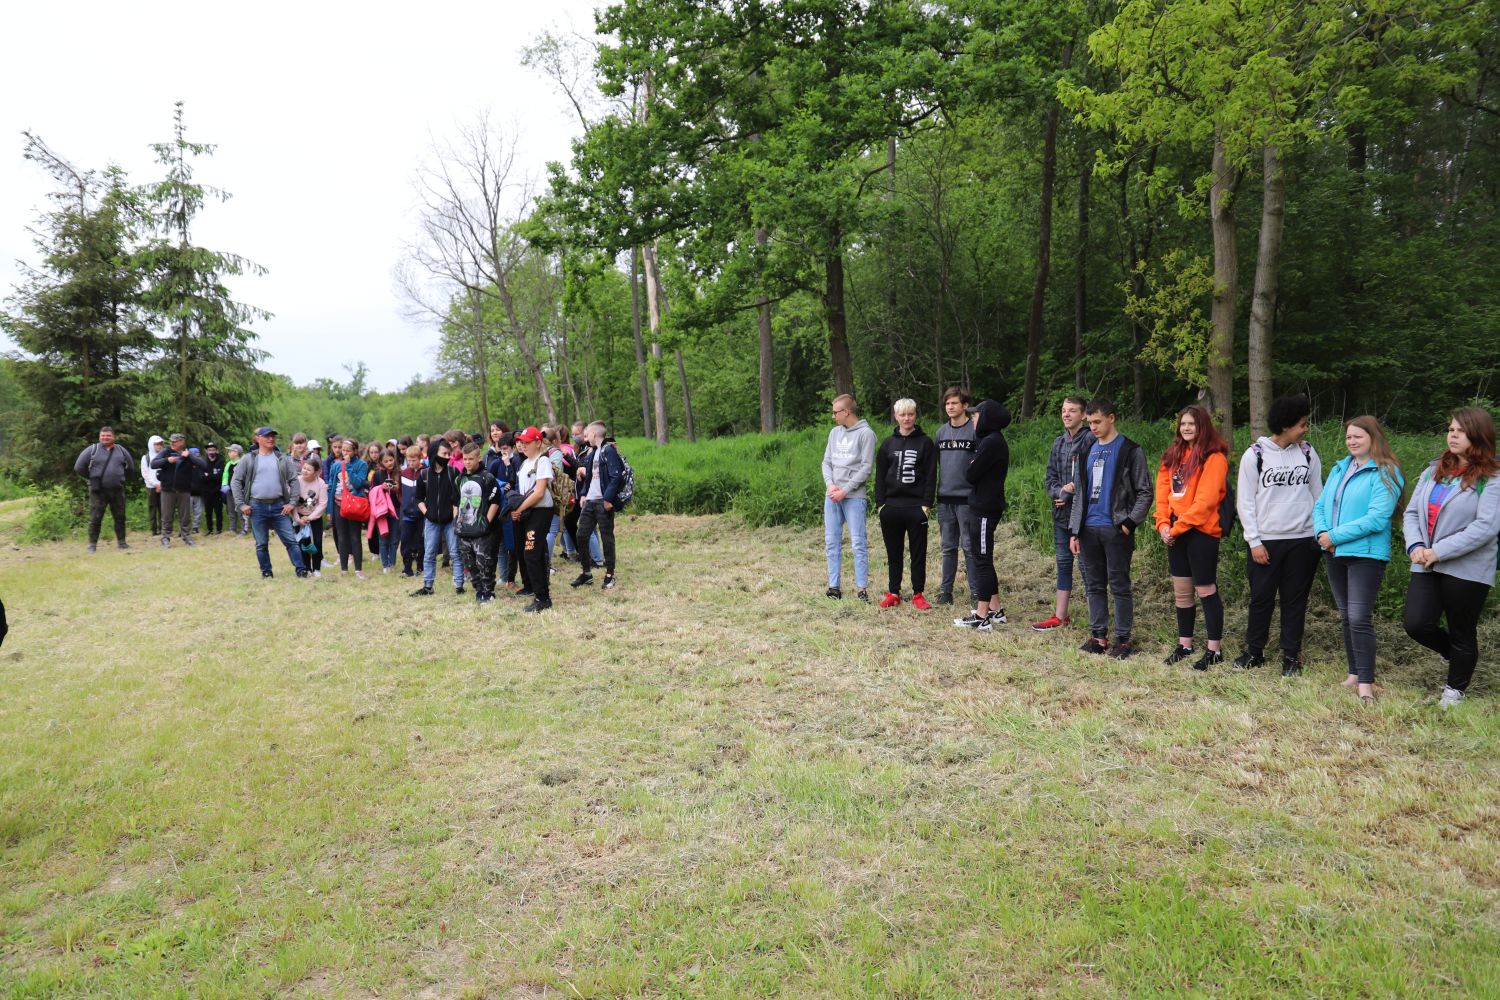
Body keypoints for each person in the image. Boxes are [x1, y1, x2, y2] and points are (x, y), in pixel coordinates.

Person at [1402, 407, 1500, 708]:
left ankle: (1455, 689)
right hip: (1426, 563)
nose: (1452, 435)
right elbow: (1412, 512)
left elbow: (1486, 526)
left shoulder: (1492, 477)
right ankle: (1456, 655)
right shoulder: (1433, 470)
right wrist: (1415, 545)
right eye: (1450, 429)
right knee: (1416, 624)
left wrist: (1439, 551)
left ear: (1478, 435)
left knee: (1462, 629)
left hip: (1467, 567)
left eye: (1460, 430)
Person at [1313, 416, 1405, 705]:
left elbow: (1377, 519)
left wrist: (1334, 536)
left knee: (1358, 617)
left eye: (1358, 437)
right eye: (1349, 437)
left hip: (1365, 554)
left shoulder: (1386, 472)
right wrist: (1321, 532)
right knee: (1345, 616)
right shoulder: (1341, 468)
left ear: (1373, 438)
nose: (1352, 441)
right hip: (1334, 552)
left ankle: (1366, 684)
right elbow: (1320, 505)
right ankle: (1354, 673)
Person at [1234, 394, 1323, 675]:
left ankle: (1291, 656)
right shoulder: (1255, 455)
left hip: (1303, 540)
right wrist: (1254, 541)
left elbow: (1317, 495)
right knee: (1261, 598)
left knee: (1294, 601)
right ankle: (1254, 652)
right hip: (1267, 541)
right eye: (1302, 424)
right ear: (1285, 425)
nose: (1305, 429)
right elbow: (1245, 502)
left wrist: (1319, 534)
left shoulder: (1308, 453)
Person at [1069, 398, 1152, 659]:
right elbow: (1080, 492)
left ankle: (1123, 640)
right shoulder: (1087, 450)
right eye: (1090, 422)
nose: (1092, 427)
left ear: (1111, 418)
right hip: (1088, 528)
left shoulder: (1129, 450)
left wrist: (1129, 522)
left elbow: (1145, 491)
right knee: (1094, 585)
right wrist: (1074, 530)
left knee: (1119, 585)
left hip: (1115, 529)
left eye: (1097, 421)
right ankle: (1098, 637)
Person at [1154, 406, 1231, 670]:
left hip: (1201, 531)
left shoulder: (1214, 457)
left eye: (1192, 424)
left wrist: (1176, 528)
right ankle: (1185, 644)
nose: (1186, 428)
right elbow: (1163, 495)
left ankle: (1214, 650)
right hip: (1175, 530)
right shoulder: (1172, 456)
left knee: (1205, 589)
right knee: (1182, 591)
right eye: (1183, 424)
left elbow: (1206, 502)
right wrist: (1163, 524)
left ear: (1203, 427)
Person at [953, 398, 1012, 630]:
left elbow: (970, 473)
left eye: (975, 416)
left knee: (982, 559)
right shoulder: (989, 440)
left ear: (986, 418)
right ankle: (996, 610)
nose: (972, 419)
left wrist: (972, 461)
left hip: (986, 509)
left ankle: (981, 616)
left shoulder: (991, 443)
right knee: (982, 557)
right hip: (982, 505)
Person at [1036, 397, 1094, 630]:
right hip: (1061, 514)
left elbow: (1092, 478)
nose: (1066, 414)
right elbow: (1049, 477)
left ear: (1084, 415)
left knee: (1087, 565)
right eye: (1063, 410)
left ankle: (1096, 620)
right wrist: (1059, 490)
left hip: (1084, 516)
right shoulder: (1058, 442)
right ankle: (1060, 616)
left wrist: (1074, 488)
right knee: (1063, 562)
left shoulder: (1090, 440)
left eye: (1072, 411)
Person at [874, 399, 936, 610]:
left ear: (915, 416)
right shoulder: (887, 444)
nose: (907, 418)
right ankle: (894, 592)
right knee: (894, 553)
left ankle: (918, 593)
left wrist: (926, 505)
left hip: (916, 507)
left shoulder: (926, 443)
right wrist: (880, 505)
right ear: (896, 416)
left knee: (918, 553)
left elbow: (931, 476)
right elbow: (880, 476)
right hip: (891, 507)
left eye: (910, 414)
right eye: (902, 415)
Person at [229, 427, 308, 579]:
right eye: (267, 436)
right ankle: (266, 572)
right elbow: (236, 481)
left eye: (273, 436)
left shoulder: (282, 458)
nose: (271, 439)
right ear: (258, 438)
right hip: (257, 506)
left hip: (280, 506)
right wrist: (241, 504)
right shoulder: (249, 458)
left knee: (291, 541)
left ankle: (301, 570)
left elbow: (294, 480)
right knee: (261, 543)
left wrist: (292, 503)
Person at [822, 394, 876, 601]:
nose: (833, 416)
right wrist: (831, 485)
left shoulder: (866, 434)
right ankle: (834, 587)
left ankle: (862, 589)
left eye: (835, 412)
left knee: (858, 543)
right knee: (832, 542)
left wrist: (845, 490)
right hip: (832, 496)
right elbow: (826, 462)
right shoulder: (834, 433)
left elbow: (866, 468)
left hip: (853, 497)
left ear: (847, 412)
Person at [934, 387, 977, 607]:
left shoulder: (974, 430)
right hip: (945, 498)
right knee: (948, 547)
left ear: (965, 405)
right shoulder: (941, 433)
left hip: (968, 499)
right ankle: (945, 591)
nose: (950, 407)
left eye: (954, 403)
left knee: (969, 547)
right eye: (947, 403)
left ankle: (977, 592)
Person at [573, 421, 625, 590]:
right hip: (590, 501)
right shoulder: (592, 453)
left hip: (603, 501)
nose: (585, 437)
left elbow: (616, 476)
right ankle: (586, 573)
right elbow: (590, 478)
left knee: (606, 537)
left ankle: (610, 574)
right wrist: (583, 495)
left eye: (587, 434)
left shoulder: (608, 450)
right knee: (581, 535)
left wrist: (608, 499)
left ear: (595, 435)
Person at [412, 436, 462, 596]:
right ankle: (427, 586)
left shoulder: (454, 472)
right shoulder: (423, 475)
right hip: (431, 521)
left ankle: (459, 585)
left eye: (449, 454)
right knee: (429, 553)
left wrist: (455, 516)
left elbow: (459, 497)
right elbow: (418, 498)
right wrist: (427, 513)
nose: (448, 457)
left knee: (455, 553)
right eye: (444, 453)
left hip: (450, 521)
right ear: (435, 453)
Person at [513, 426, 556, 612]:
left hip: (539, 512)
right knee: (531, 554)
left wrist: (519, 508)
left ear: (538, 443)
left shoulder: (543, 461)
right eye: (521, 442)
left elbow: (539, 493)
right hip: (527, 512)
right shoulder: (525, 463)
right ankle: (541, 594)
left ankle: (542, 598)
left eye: (527, 442)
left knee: (531, 554)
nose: (523, 445)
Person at [454, 442, 503, 603]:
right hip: (464, 529)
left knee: (485, 563)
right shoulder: (459, 479)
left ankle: (489, 592)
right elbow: (456, 502)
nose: (467, 462)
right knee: (469, 562)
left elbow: (495, 502)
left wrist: (485, 523)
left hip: (483, 530)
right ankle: (479, 590)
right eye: (465, 459)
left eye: (471, 459)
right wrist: (457, 522)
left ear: (478, 458)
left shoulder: (487, 478)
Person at [74, 425, 134, 553]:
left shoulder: (121, 450)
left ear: (114, 437)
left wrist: (121, 479)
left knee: (120, 517)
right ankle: (92, 545)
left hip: (117, 490)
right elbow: (78, 467)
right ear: (99, 437)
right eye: (103, 436)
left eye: (108, 436)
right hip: (98, 491)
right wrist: (92, 478)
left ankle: (122, 543)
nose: (105, 438)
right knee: (95, 518)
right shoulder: (92, 450)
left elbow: (130, 468)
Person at [152, 434, 206, 548]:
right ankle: (165, 538)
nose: (172, 443)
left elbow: (204, 465)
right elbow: (153, 464)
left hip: (184, 489)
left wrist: (189, 456)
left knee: (185, 516)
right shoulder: (166, 452)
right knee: (166, 516)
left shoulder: (188, 453)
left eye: (175, 441)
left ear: (182, 442)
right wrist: (167, 460)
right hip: (168, 489)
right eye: (171, 441)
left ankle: (186, 537)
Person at [327, 438, 369, 578]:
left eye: (348, 451)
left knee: (355, 537)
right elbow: (331, 488)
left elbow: (358, 484)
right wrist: (329, 510)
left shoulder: (361, 465)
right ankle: (344, 569)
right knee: (342, 537)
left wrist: (349, 466)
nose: (344, 453)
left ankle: (358, 569)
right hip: (338, 504)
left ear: (355, 451)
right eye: (343, 450)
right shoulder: (336, 466)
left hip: (354, 504)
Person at [367, 448, 402, 573]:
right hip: (382, 511)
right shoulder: (376, 475)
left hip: (396, 509)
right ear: (381, 462)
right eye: (386, 461)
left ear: (395, 459)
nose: (389, 463)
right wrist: (381, 487)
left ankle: (392, 563)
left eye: (391, 460)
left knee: (394, 538)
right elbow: (371, 492)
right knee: (383, 538)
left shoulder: (399, 473)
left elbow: (402, 491)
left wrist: (396, 488)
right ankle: (385, 565)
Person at [291, 457, 328, 576]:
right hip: (299, 516)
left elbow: (322, 503)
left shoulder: (320, 483)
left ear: (316, 472)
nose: (305, 471)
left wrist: (310, 517)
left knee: (317, 542)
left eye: (309, 469)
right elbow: (292, 503)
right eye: (304, 468)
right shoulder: (296, 481)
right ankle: (306, 568)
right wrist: (297, 518)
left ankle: (316, 568)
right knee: (303, 542)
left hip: (314, 517)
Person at [398, 444, 426, 577]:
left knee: (421, 542)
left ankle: (420, 566)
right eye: (409, 460)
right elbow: (400, 492)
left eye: (414, 460)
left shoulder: (425, 472)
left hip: (421, 514)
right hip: (406, 514)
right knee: (405, 541)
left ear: (420, 458)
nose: (411, 463)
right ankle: (407, 568)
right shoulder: (404, 473)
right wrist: (403, 505)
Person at [197, 443, 226, 535]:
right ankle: (209, 529)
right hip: (206, 491)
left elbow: (220, 476)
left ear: (216, 450)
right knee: (208, 511)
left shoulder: (221, 460)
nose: (211, 452)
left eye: (213, 450)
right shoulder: (203, 461)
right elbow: (201, 477)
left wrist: (208, 475)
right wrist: (212, 475)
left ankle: (219, 529)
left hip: (217, 490)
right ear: (206, 451)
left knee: (218, 510)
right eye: (209, 450)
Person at [141, 434, 165, 537]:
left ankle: (163, 529)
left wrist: (161, 484)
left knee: (163, 508)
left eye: (160, 444)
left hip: (163, 486)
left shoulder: (164, 456)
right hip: (151, 487)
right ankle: (153, 530)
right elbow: (145, 473)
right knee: (152, 508)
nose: (159, 446)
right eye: (157, 444)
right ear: (151, 445)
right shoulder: (146, 458)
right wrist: (155, 484)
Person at [222, 445, 247, 535]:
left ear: (236, 453)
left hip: (240, 491)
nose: (228, 453)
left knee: (241, 510)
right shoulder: (229, 464)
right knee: (231, 510)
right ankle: (232, 529)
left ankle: (245, 529)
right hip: (230, 491)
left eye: (230, 451)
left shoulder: (242, 463)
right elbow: (225, 475)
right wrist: (224, 484)